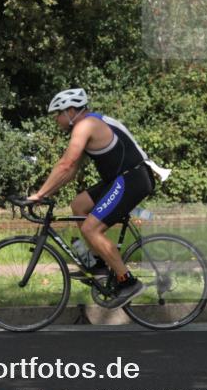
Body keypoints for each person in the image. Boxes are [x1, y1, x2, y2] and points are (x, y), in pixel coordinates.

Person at [28, 88, 170, 308]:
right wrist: (47, 193)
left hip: (130, 179)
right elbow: (71, 171)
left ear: (71, 110)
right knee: (78, 205)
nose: (56, 119)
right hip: (122, 179)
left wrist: (39, 194)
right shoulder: (90, 122)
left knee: (90, 229)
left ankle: (127, 282)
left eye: (57, 114)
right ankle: (101, 268)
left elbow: (65, 164)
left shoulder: (85, 126)